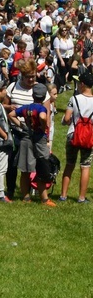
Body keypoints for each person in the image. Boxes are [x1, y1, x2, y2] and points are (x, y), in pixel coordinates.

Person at [8, 83, 56, 206]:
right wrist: (43, 125)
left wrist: (22, 126)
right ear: (44, 95)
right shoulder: (41, 109)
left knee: (25, 169)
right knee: (42, 169)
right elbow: (42, 116)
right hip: (39, 140)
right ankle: (44, 199)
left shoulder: (26, 107)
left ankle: (26, 197)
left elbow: (11, 115)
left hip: (26, 138)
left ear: (33, 95)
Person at [59, 70, 93, 202]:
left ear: (82, 84)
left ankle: (63, 195)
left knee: (69, 164)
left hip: (73, 135)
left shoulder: (74, 99)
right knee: (85, 166)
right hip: (88, 137)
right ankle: (81, 197)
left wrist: (65, 120)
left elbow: (67, 118)